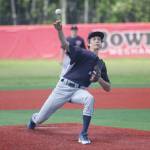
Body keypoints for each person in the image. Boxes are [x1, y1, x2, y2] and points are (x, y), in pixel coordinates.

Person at [27, 19, 111, 145]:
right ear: (88, 44)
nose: (97, 40)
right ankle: (34, 119)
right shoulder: (81, 52)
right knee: (40, 119)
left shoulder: (100, 64)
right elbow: (65, 44)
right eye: (94, 39)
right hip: (63, 88)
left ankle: (83, 134)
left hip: (78, 91)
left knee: (89, 99)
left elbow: (108, 88)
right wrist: (60, 30)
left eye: (99, 39)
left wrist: (99, 79)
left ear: (101, 44)